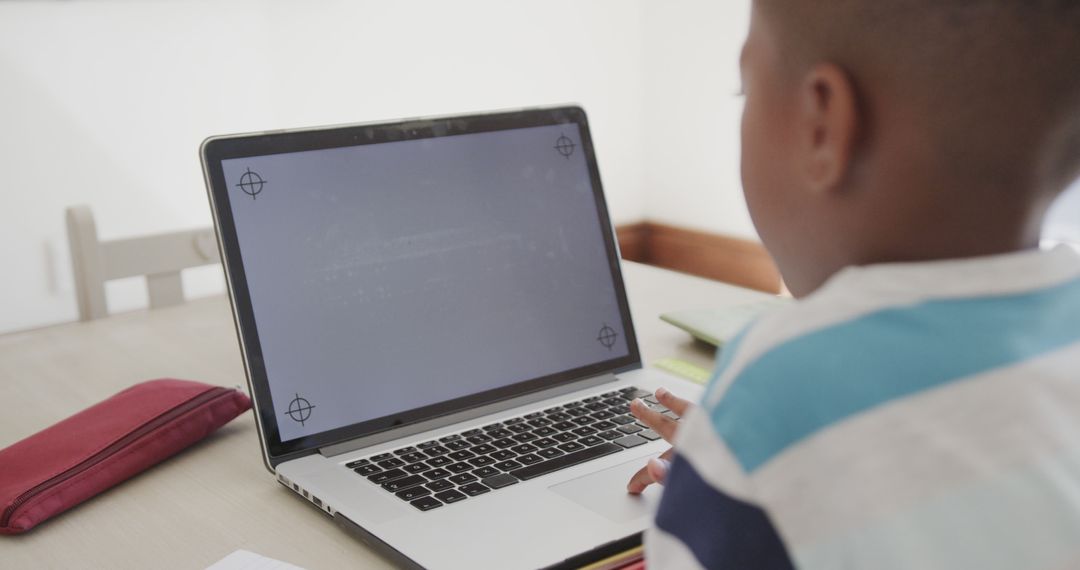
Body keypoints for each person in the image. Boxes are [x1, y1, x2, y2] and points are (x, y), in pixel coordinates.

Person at [626, 0, 1080, 568]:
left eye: (745, 92)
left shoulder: (781, 382)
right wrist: (741, 458)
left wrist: (740, 462)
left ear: (823, 123)